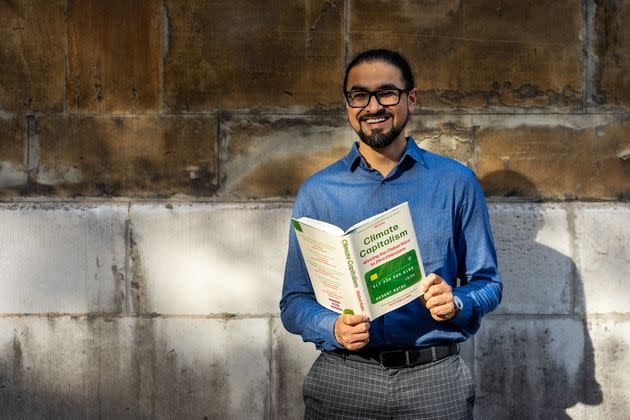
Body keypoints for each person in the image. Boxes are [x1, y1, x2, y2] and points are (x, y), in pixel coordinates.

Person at [280, 49, 502, 420]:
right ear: (348, 104)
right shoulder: (318, 192)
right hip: (344, 376)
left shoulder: (455, 183)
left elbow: (488, 282)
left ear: (411, 99)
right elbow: (293, 301)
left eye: (387, 93)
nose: (373, 106)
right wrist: (331, 326)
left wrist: (457, 302)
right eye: (359, 95)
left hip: (435, 379)